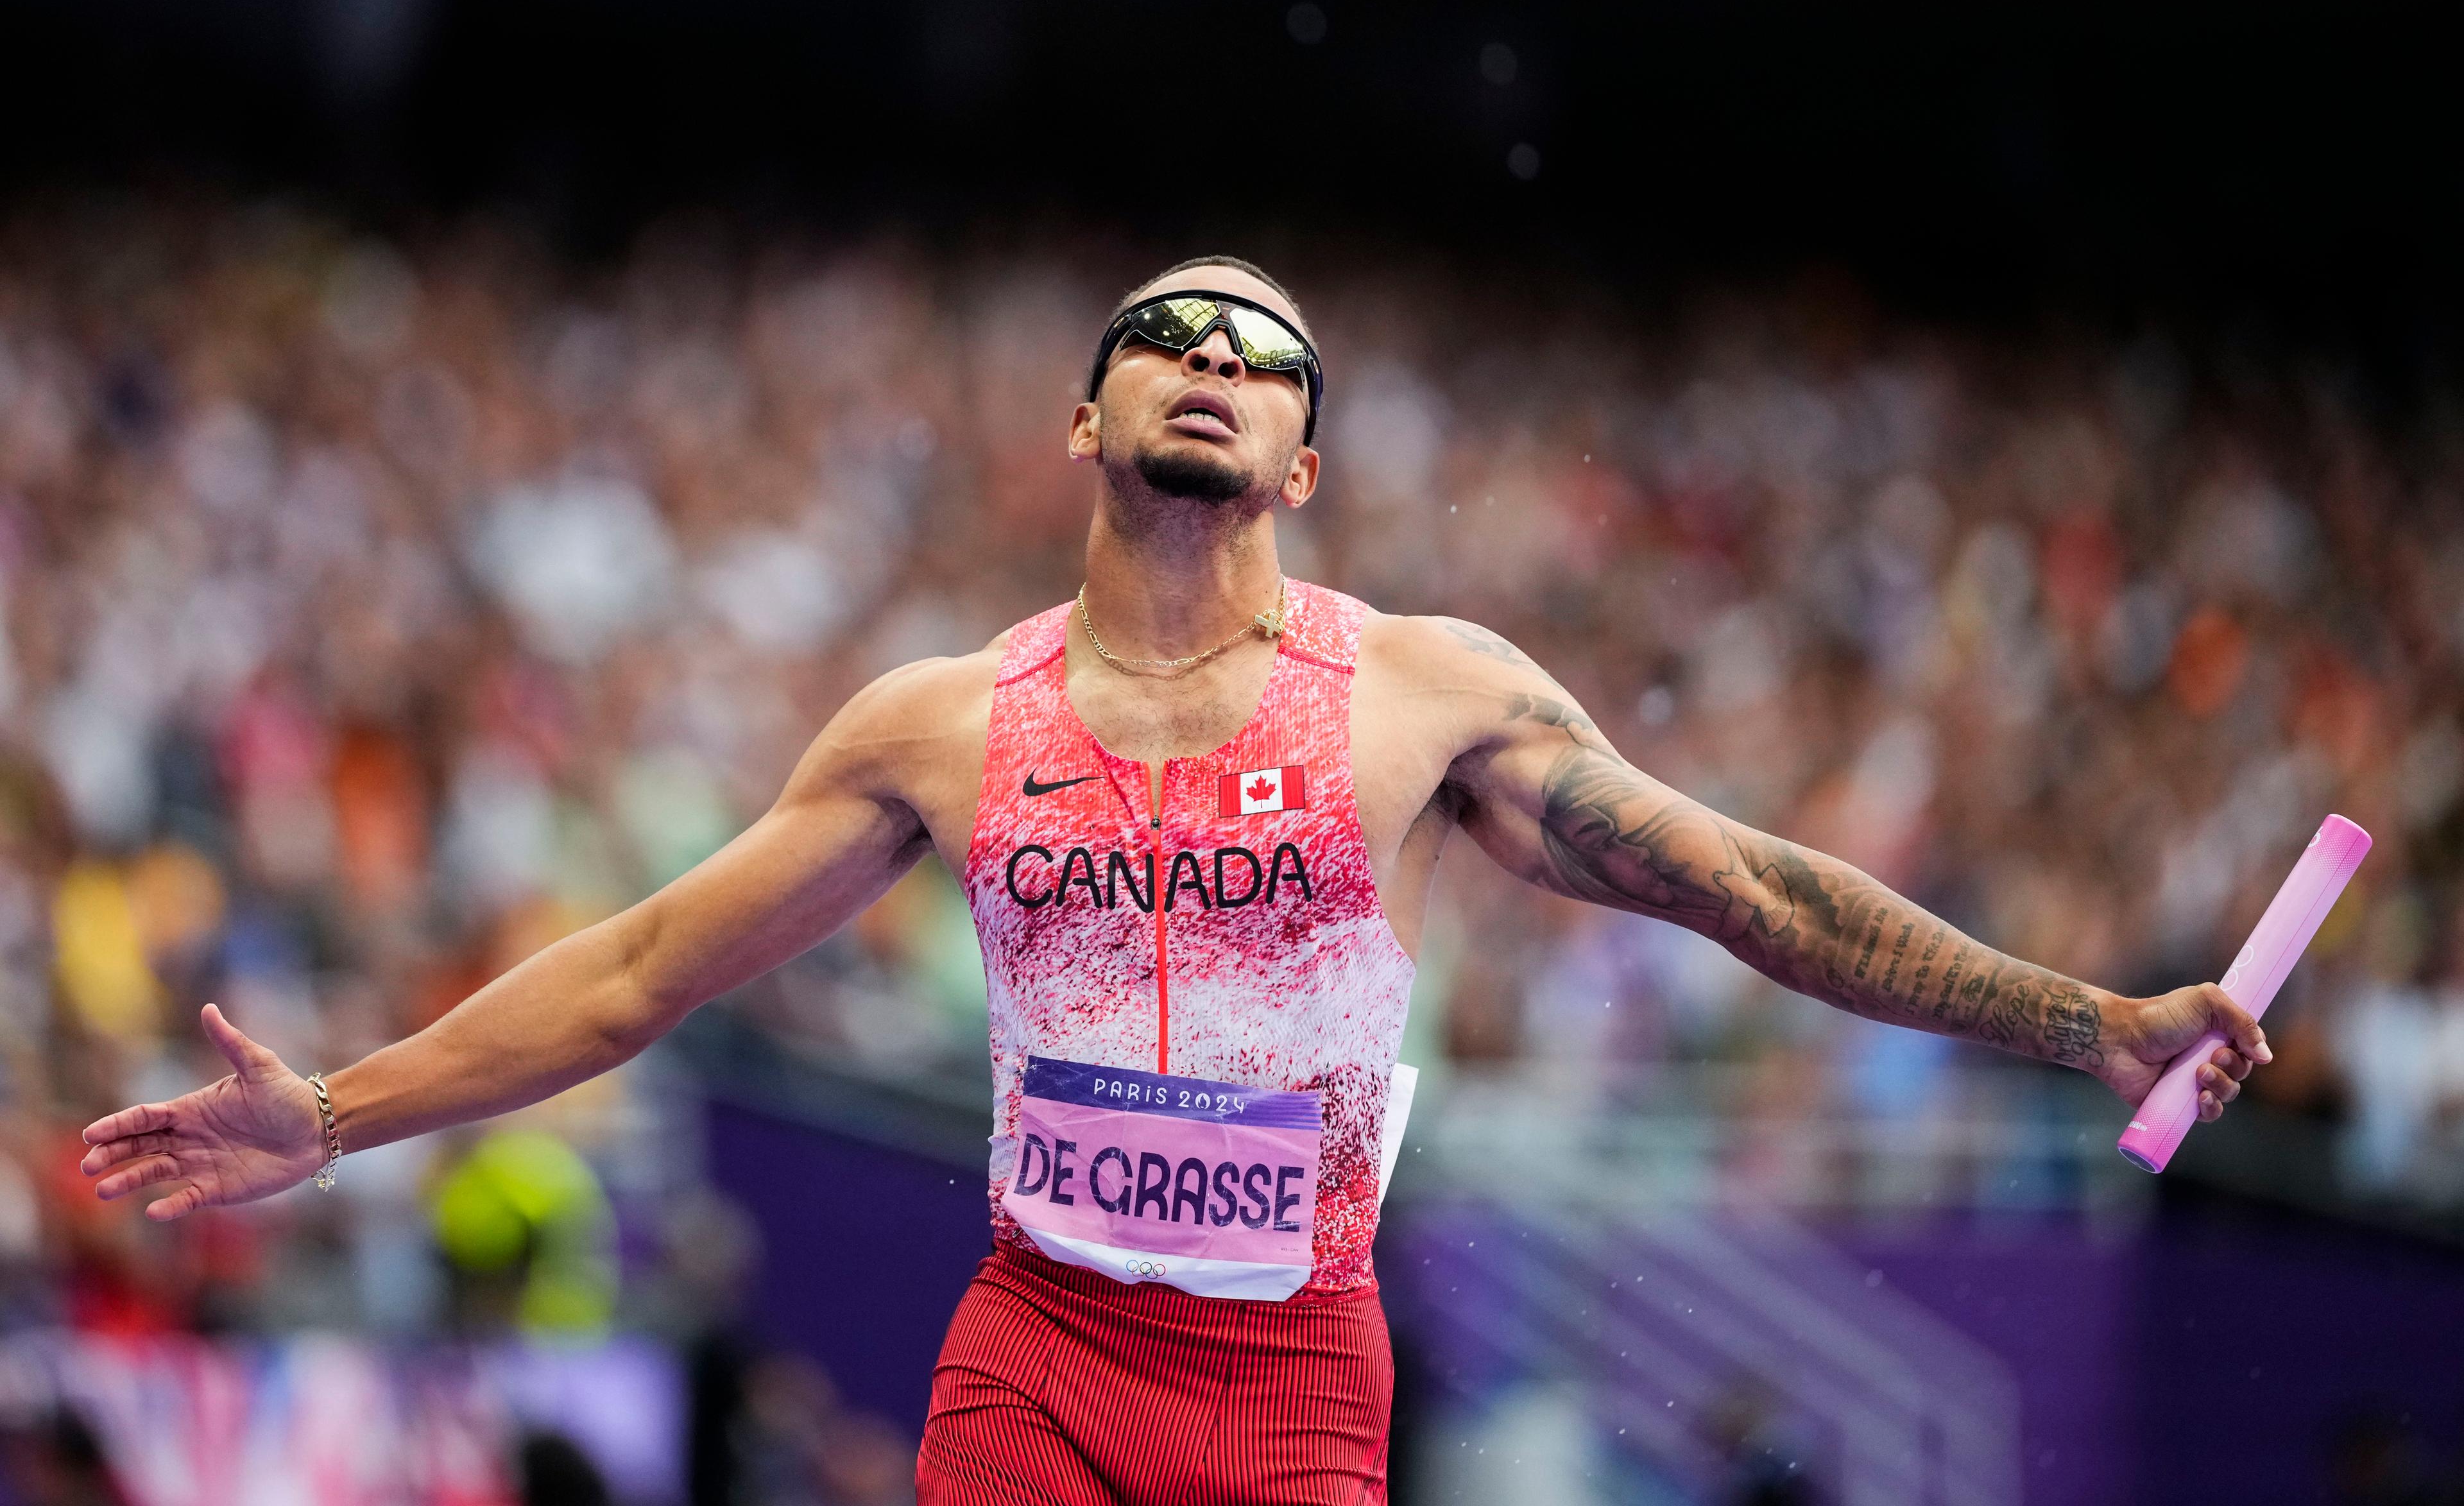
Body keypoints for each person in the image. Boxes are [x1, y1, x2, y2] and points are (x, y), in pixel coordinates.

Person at [80, 256, 2273, 1505]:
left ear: (1304, 463)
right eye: (1175, 340)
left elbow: (1757, 895)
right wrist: (341, 1114)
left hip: (1303, 1373)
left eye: (1265, 367)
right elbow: (651, 963)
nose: (1216, 370)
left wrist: (2096, 1019)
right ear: (1083, 419)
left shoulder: (1427, 698)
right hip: (1034, 1347)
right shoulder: (939, 721)